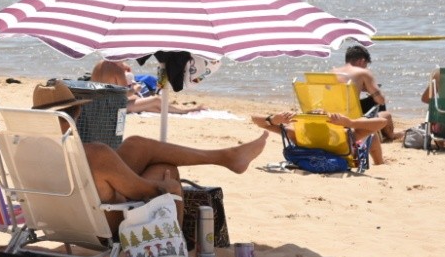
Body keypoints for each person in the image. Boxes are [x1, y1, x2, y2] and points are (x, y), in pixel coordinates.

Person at [33, 81, 269, 233]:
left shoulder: (26, 150)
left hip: (61, 222)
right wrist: (168, 186)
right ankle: (175, 249)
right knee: (166, 171)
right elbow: (144, 191)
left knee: (136, 145)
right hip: (102, 224)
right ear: (77, 112)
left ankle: (227, 157)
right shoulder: (94, 154)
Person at [251, 110, 388, 165]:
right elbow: (382, 123)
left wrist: (273, 119)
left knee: (369, 131)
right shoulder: (345, 134)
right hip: (343, 155)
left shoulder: (295, 134)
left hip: (312, 152)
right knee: (373, 136)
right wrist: (350, 123)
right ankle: (380, 163)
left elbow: (256, 119)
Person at [332, 45, 402, 142]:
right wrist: (371, 90)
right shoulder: (363, 72)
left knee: (366, 101)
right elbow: (380, 100)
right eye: (366, 64)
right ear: (362, 61)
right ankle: (390, 135)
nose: (366, 67)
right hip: (352, 117)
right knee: (386, 114)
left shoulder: (332, 72)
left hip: (334, 115)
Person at [90, 60, 206, 114]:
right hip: (113, 108)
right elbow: (123, 94)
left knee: (146, 103)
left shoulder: (100, 65)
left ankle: (172, 110)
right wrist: (134, 89)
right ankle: (186, 111)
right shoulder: (117, 70)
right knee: (156, 100)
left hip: (98, 103)